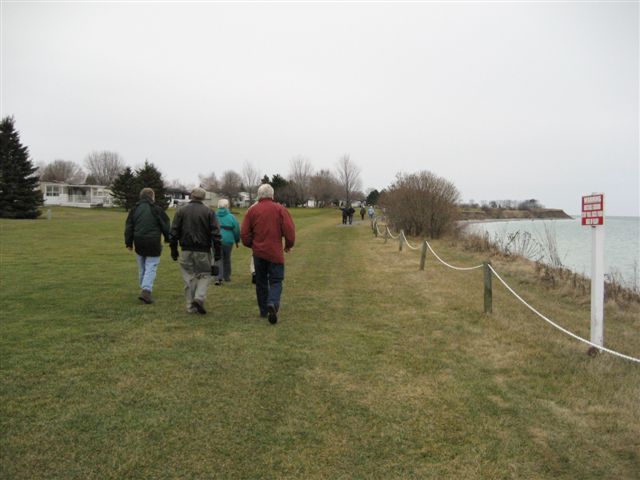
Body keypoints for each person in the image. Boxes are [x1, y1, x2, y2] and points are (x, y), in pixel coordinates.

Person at [241, 183, 295, 324]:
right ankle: (272, 302)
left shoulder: (252, 211)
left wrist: (251, 244)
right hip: (275, 252)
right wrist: (289, 245)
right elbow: (289, 230)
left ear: (259, 195)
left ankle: (264, 310)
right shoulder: (280, 209)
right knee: (276, 281)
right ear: (272, 195)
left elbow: (245, 233)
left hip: (258, 252)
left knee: (261, 282)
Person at [170, 187, 222, 314]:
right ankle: (199, 298)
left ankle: (190, 305)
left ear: (192, 196)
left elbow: (174, 231)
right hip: (203, 250)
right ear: (203, 197)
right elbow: (216, 234)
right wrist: (218, 252)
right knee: (205, 274)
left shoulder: (181, 211)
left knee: (189, 276)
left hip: (186, 249)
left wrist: (173, 249)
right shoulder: (209, 212)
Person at [125, 188, 171, 304]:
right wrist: (167, 238)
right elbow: (165, 225)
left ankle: (144, 289)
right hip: (153, 241)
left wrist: (128, 243)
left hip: (138, 241)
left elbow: (129, 227)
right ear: (152, 196)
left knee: (142, 266)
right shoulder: (156, 209)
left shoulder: (134, 209)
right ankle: (146, 290)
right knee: (151, 266)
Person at [214, 198, 240, 285]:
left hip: (216, 240)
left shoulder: (214, 215)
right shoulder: (231, 217)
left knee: (218, 258)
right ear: (227, 206)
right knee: (227, 258)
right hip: (228, 241)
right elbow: (236, 230)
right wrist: (237, 240)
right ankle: (227, 277)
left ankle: (218, 278)